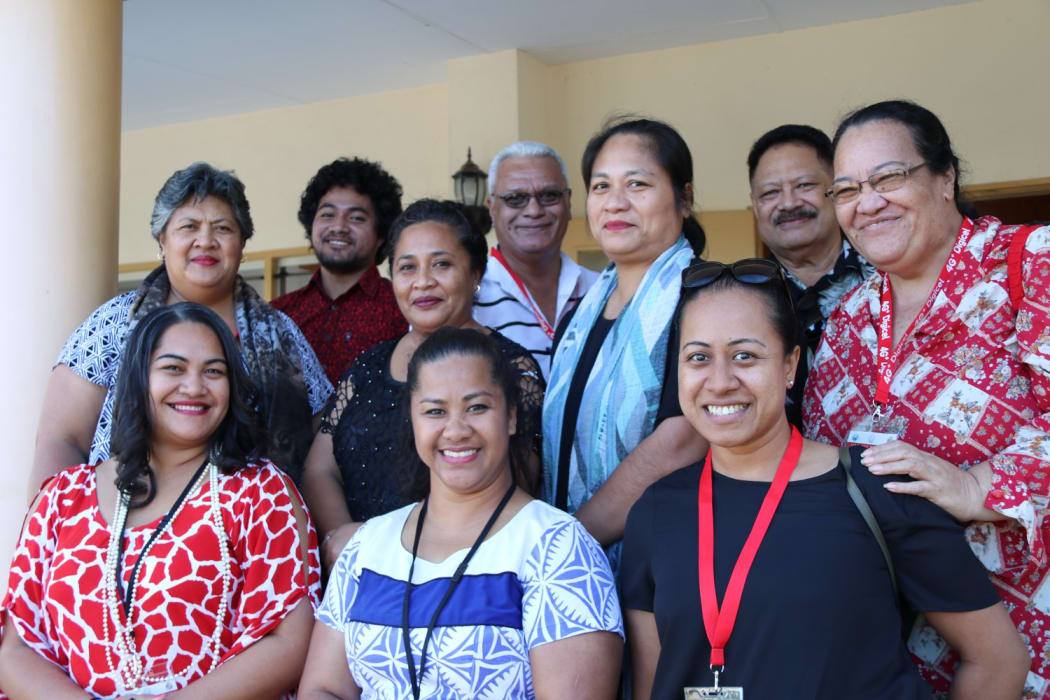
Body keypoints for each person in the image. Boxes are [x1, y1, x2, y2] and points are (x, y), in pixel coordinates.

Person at [622, 260, 1029, 699]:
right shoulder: (655, 512)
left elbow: (997, 660)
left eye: (745, 355)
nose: (720, 382)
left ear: (790, 365)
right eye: (698, 357)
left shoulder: (877, 491)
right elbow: (653, 684)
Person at [802, 99, 1050, 696]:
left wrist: (976, 486)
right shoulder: (848, 317)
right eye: (846, 189)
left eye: (889, 177)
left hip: (1028, 635)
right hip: (896, 652)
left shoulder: (1030, 263)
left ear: (945, 177)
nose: (867, 202)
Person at [0, 303, 320, 699]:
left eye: (214, 371)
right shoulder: (62, 498)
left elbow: (288, 642)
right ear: (137, 380)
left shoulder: (259, 494)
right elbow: (15, 647)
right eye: (173, 368)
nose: (194, 386)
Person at [299, 327, 622, 700]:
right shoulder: (367, 547)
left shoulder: (559, 548)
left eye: (477, 407)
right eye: (435, 411)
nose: (456, 430)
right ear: (413, 422)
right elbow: (324, 689)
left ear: (512, 417)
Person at [33, 162, 331, 494]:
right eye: (189, 226)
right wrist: (51, 530)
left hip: (251, 531)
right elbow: (62, 439)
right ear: (162, 239)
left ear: (242, 244)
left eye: (222, 228)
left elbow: (323, 441)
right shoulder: (114, 322)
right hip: (118, 525)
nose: (205, 241)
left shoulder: (282, 335)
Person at [302, 199, 545, 569]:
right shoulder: (367, 366)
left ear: (475, 273)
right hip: (360, 569)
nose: (423, 281)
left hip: (464, 571)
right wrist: (345, 540)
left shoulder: (511, 368)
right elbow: (320, 468)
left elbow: (522, 483)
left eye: (442, 264)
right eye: (407, 267)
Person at [542, 117, 708, 561]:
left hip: (666, 564)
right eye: (601, 187)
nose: (615, 203)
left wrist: (573, 541)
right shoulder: (577, 319)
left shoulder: (707, 296)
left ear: (684, 198)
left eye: (637, 184)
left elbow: (685, 437)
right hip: (572, 563)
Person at [747, 124, 874, 425]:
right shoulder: (743, 298)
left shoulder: (890, 277)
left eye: (804, 185)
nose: (788, 203)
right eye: (770, 192)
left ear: (838, 189)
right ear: (754, 204)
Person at [271, 157, 408, 385]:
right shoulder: (280, 314)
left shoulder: (402, 310)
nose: (338, 227)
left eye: (356, 218)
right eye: (327, 214)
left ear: (381, 234)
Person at [473, 141, 598, 380]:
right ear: (492, 208)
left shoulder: (604, 291)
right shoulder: (468, 299)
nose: (533, 210)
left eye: (549, 196)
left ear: (569, 203)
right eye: (515, 198)